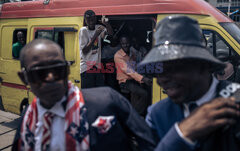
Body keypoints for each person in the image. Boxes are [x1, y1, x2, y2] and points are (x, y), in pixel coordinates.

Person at [12, 39, 156, 151]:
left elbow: (148, 143)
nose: (51, 78)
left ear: (67, 70)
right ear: (24, 78)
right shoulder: (28, 119)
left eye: (58, 69)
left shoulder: (106, 100)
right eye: (40, 72)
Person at [139, 16, 240, 151]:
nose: (163, 79)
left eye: (174, 67)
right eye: (159, 70)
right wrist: (182, 134)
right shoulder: (157, 114)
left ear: (203, 65)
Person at [114, 35, 152, 116]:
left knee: (147, 90)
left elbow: (134, 68)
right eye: (123, 43)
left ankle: (143, 113)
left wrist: (142, 78)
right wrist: (143, 79)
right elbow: (128, 70)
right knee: (144, 93)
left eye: (127, 43)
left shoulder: (132, 53)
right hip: (125, 82)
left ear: (130, 43)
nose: (125, 45)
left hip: (133, 79)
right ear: (120, 44)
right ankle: (135, 115)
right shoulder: (118, 56)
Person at [79, 10, 113, 88]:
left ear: (95, 19)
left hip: (97, 67)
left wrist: (106, 24)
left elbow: (111, 34)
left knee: (99, 92)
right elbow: (84, 51)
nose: (91, 21)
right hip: (86, 68)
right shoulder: (83, 30)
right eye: (88, 19)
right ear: (85, 20)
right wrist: (95, 35)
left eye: (93, 19)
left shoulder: (99, 27)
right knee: (89, 94)